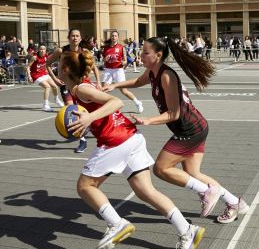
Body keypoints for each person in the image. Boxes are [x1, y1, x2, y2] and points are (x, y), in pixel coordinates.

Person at [59, 49, 204, 249]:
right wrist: (89, 121)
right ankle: (187, 229)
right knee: (146, 191)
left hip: (116, 140)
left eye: (58, 66)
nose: (55, 68)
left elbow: (117, 102)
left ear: (65, 69)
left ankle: (117, 224)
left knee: (85, 186)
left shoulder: (82, 89)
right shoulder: (80, 88)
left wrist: (89, 119)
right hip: (131, 137)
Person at [104, 37, 250, 224]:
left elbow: (173, 113)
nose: (141, 55)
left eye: (145, 52)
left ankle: (207, 191)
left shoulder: (167, 76)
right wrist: (115, 85)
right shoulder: (152, 72)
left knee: (161, 168)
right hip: (197, 126)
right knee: (194, 174)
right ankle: (236, 203)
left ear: (158, 55)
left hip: (189, 130)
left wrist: (148, 120)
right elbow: (137, 82)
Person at [46, 28, 102, 154]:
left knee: (91, 109)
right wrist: (54, 79)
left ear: (80, 38)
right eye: (72, 35)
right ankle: (82, 140)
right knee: (71, 110)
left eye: (77, 36)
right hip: (66, 85)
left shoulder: (84, 51)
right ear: (69, 37)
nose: (75, 38)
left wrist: (98, 82)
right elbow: (48, 63)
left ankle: (98, 132)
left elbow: (94, 68)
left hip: (82, 84)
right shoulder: (62, 51)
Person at [102, 30, 143, 114]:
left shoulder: (121, 47)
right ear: (111, 37)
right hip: (108, 69)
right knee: (104, 90)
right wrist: (105, 59)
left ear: (118, 37)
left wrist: (122, 62)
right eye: (112, 36)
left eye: (115, 36)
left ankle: (137, 103)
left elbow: (125, 60)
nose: (114, 37)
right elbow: (103, 59)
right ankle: (105, 108)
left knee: (123, 91)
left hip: (118, 69)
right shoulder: (106, 48)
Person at [27, 45, 64, 112]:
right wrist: (29, 76)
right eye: (41, 49)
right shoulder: (34, 57)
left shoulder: (46, 56)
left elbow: (47, 64)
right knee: (47, 87)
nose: (42, 50)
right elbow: (28, 67)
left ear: (45, 50)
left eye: (44, 49)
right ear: (38, 50)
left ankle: (57, 100)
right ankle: (45, 105)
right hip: (35, 75)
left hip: (43, 73)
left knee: (55, 86)